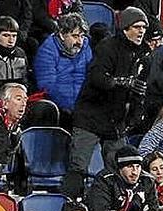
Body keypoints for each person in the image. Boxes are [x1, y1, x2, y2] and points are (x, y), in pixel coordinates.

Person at [63, 7, 151, 199]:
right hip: (90, 115)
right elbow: (97, 78)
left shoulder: (145, 54)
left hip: (115, 120)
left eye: (143, 27)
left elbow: (140, 90)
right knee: (78, 166)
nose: (141, 31)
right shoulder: (107, 47)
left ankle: (112, 205)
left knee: (119, 168)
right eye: (137, 27)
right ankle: (69, 208)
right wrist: (122, 82)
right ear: (125, 28)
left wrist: (134, 116)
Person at [33, 13, 92, 121]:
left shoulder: (85, 46)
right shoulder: (47, 50)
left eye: (82, 36)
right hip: (61, 103)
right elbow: (48, 85)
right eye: (75, 36)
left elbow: (91, 76)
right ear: (61, 34)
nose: (79, 42)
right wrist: (72, 106)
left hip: (83, 102)